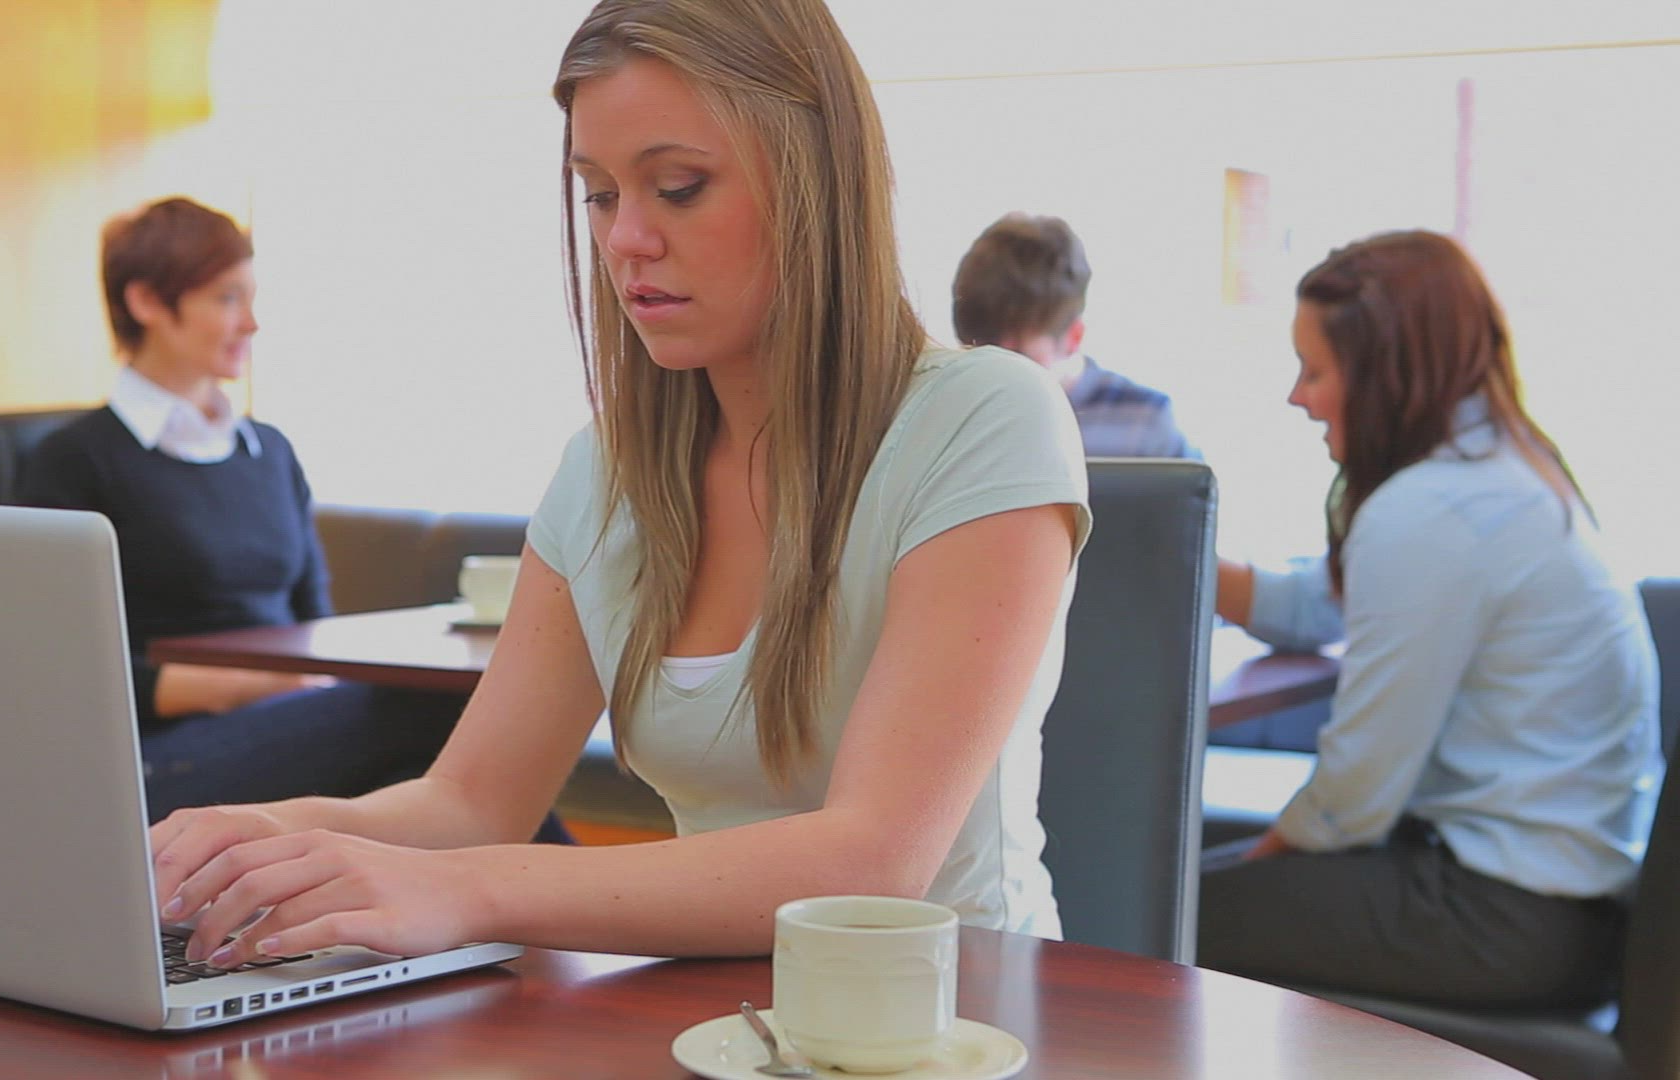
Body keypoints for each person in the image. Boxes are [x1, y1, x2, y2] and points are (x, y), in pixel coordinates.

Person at [146, 0, 1090, 969]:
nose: (626, 238)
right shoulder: (604, 473)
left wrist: (466, 890)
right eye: (598, 194)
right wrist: (270, 837)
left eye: (678, 188)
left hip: (960, 1016)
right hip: (712, 1014)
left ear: (815, 177)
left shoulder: (984, 419)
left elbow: (872, 863)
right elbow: (472, 802)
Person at [1200, 229, 1658, 1006]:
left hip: (1506, 919)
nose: (1296, 397)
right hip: (1564, 911)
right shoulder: (1499, 472)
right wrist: (1167, 549)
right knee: (1184, 878)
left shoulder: (1432, 511)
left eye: (1315, 370)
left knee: (1148, 908)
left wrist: (1246, 868)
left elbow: (1353, 797)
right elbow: (1317, 604)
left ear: (1384, 373)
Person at [16, 197, 525, 833]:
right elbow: (58, 668)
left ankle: (553, 889)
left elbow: (313, 619)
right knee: (434, 717)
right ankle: (570, 886)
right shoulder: (72, 461)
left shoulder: (270, 451)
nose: (251, 323)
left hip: (285, 723)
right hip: (156, 754)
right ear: (146, 301)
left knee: (429, 772)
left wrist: (298, 688)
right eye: (227, 299)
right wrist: (248, 686)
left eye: (252, 299)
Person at [952, 212, 1201, 459]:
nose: (993, 375)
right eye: (977, 352)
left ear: (1073, 338)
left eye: (1015, 357)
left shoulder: (1146, 422)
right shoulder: (950, 411)